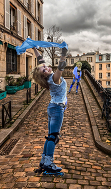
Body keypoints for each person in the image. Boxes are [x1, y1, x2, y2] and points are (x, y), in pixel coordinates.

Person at [31, 46, 67, 174]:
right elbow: (61, 67)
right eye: (44, 70)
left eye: (45, 67)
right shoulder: (53, 78)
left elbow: (40, 60)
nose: (46, 68)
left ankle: (44, 160)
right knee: (53, 136)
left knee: (50, 136)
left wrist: (34, 48)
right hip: (57, 109)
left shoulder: (49, 77)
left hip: (52, 107)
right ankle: (48, 164)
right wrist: (63, 53)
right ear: (44, 76)